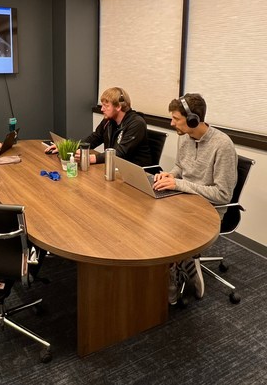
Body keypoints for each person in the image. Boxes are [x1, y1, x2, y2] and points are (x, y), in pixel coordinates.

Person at [153, 93, 238, 304]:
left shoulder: (222, 146)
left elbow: (222, 194)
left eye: (176, 119)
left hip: (210, 209)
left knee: (165, 229)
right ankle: (184, 261)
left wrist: (179, 184)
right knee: (150, 215)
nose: (172, 123)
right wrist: (170, 175)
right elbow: (181, 167)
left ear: (193, 119)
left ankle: (175, 268)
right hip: (184, 199)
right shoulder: (185, 137)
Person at [45, 87, 152, 166]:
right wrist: (67, 147)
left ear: (118, 107)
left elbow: (120, 153)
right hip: (113, 169)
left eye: (106, 106)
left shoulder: (136, 123)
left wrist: (91, 158)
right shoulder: (109, 121)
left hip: (134, 176)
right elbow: (93, 139)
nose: (102, 109)